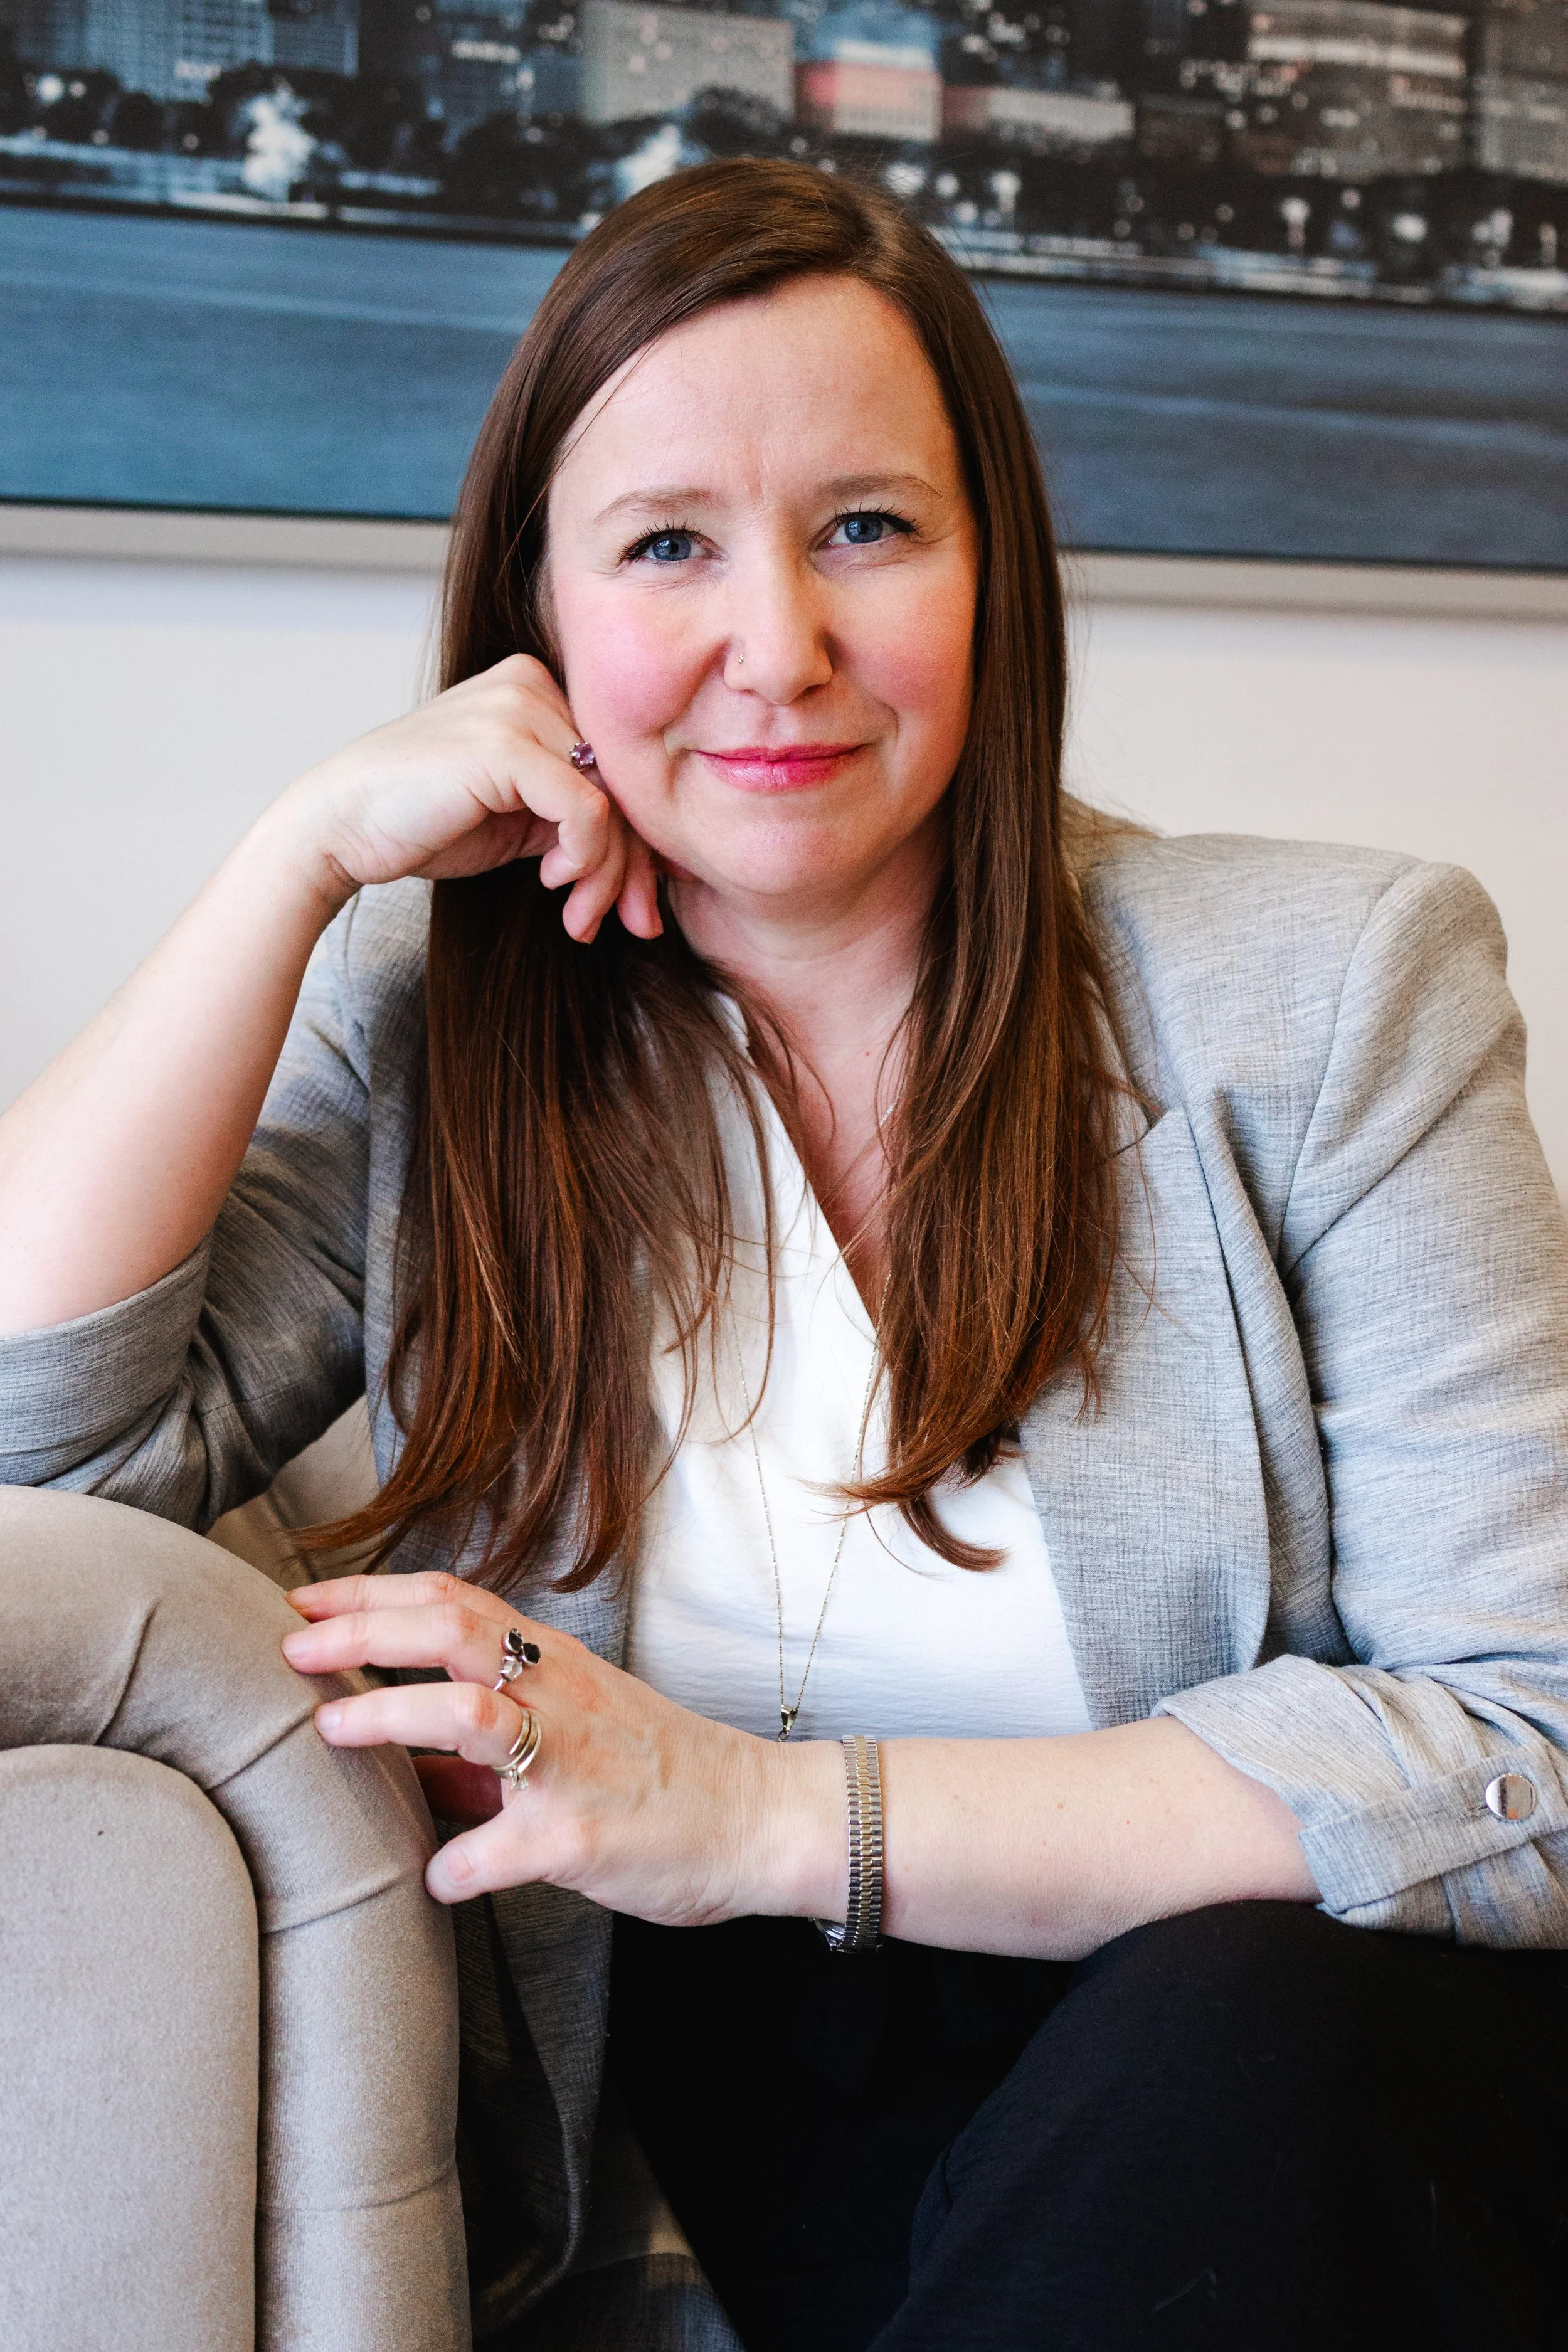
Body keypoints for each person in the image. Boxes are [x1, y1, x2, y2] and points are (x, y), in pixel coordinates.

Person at [3, 161, 1567, 2352]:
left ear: (989, 570)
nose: (780, 648)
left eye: (866, 527)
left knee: (1249, 2025)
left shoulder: (1325, 988)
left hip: (1305, 2079)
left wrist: (761, 1812)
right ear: (533, 608)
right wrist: (291, 863)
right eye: (667, 544)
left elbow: (1531, 1744)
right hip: (788, 2126)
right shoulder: (448, 1039)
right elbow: (35, 1444)